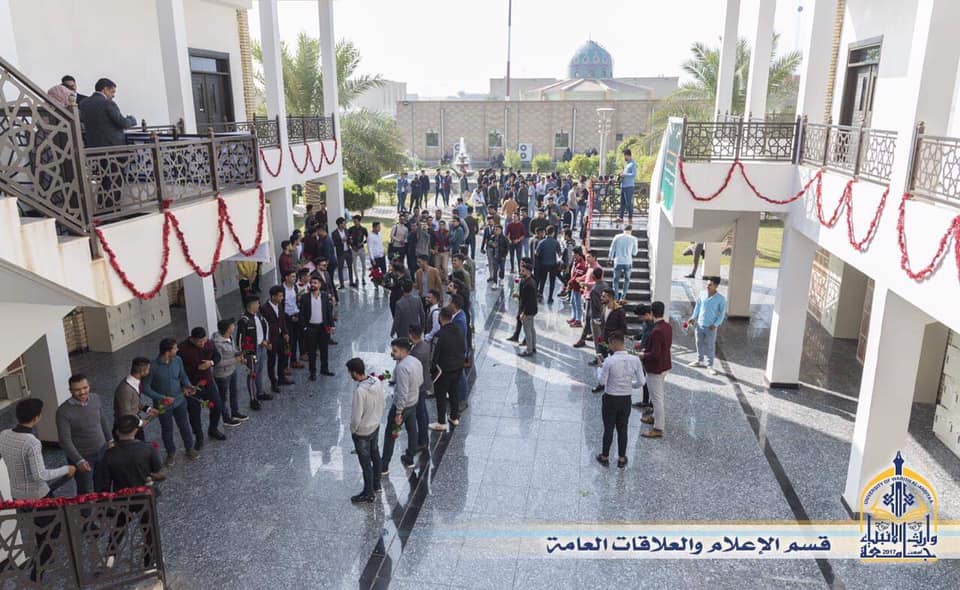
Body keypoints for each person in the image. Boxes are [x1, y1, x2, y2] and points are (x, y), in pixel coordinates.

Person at [1, 399, 76, 499]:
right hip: (37, 496)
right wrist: (66, 469)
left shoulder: (3, 434)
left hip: (16, 495)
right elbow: (40, 475)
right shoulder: (32, 442)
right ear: (37, 418)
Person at [143, 339, 199, 466]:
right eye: (175, 348)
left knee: (184, 425)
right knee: (167, 429)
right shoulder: (152, 367)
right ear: (167, 352)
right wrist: (162, 398)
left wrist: (188, 386)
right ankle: (171, 453)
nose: (177, 350)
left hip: (180, 401)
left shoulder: (178, 360)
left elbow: (183, 376)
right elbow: (145, 388)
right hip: (163, 405)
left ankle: (189, 448)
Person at [56, 373, 112, 495]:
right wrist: (79, 460)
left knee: (103, 484)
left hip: (102, 450)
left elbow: (102, 420)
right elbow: (65, 440)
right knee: (85, 490)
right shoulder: (63, 411)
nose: (82, 392)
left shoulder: (95, 398)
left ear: (89, 386)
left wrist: (110, 440)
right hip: (83, 456)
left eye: (85, 388)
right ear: (70, 390)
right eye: (77, 390)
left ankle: (103, 506)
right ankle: (86, 508)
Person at [595, 334, 645, 468]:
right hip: (625, 399)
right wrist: (630, 385)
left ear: (613, 343)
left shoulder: (609, 361)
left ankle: (605, 456)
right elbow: (641, 381)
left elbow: (602, 382)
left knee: (608, 428)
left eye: (609, 344)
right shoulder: (635, 360)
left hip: (611, 398)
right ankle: (622, 459)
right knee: (623, 428)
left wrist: (599, 367)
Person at [380, 338, 424, 472]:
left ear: (403, 351)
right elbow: (420, 381)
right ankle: (410, 458)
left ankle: (384, 465)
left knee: (391, 434)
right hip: (413, 402)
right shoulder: (415, 361)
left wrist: (398, 412)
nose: (392, 353)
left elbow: (402, 392)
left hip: (402, 407)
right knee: (412, 430)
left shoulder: (402, 367)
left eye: (395, 351)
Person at [178, 326, 227, 445]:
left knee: (217, 405)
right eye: (200, 342)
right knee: (194, 413)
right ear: (192, 339)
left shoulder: (209, 343)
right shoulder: (182, 349)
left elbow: (217, 357)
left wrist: (211, 363)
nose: (203, 344)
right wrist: (185, 384)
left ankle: (213, 429)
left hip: (207, 381)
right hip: (191, 385)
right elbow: (179, 370)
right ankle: (199, 436)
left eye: (204, 340)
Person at [347, 357, 384, 503]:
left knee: (365, 463)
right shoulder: (377, 381)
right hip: (375, 425)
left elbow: (356, 416)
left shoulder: (360, 391)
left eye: (350, 372)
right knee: (375, 454)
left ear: (355, 372)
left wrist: (353, 429)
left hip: (362, 432)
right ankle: (377, 484)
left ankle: (368, 493)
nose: (350, 375)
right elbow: (382, 402)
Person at [95, 415, 163, 491]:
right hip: (146, 492)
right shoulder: (148, 448)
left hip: (122, 495)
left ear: (117, 432)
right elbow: (159, 472)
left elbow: (104, 485)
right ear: (136, 430)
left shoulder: (108, 454)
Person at [429, 307, 466, 432]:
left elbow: (433, 354)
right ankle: (454, 417)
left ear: (440, 318)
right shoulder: (459, 330)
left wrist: (431, 369)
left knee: (441, 396)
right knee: (454, 392)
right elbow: (463, 347)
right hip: (458, 368)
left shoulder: (439, 335)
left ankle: (441, 422)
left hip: (443, 371)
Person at [640, 301, 672, 438]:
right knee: (657, 396)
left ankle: (658, 428)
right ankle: (654, 417)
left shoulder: (656, 330)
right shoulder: (667, 326)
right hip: (665, 365)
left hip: (656, 369)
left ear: (652, 313)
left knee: (656, 399)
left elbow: (655, 354)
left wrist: (643, 354)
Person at [78, 78, 136, 147]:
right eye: (112, 92)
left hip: (92, 147)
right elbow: (123, 123)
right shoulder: (108, 103)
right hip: (112, 147)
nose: (113, 95)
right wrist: (131, 119)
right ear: (105, 89)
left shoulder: (83, 103)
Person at [112, 357, 158, 442]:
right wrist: (140, 422)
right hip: (126, 430)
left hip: (134, 423)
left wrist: (147, 409)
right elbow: (125, 413)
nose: (149, 372)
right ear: (142, 371)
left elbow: (134, 401)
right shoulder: (125, 390)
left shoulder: (135, 382)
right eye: (148, 369)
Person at [300, 274, 336, 380]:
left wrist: (331, 325)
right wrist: (305, 328)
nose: (313, 285)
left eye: (315, 283)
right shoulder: (305, 297)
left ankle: (324, 369)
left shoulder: (324, 296)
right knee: (312, 352)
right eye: (311, 283)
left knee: (324, 350)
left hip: (323, 327)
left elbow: (328, 312)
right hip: (311, 328)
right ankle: (312, 372)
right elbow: (302, 314)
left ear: (320, 285)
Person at [688, 276, 727, 375]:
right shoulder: (702, 294)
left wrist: (716, 324)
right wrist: (693, 319)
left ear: (716, 286)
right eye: (707, 284)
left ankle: (710, 366)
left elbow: (722, 314)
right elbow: (697, 308)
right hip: (699, 324)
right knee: (699, 343)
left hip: (711, 327)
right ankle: (699, 360)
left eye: (710, 285)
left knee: (710, 346)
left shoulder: (721, 299)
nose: (707, 286)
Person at [237, 298, 272, 405]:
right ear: (251, 305)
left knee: (259, 371)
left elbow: (266, 327)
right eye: (257, 303)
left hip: (261, 347)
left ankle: (260, 392)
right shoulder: (244, 320)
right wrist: (242, 354)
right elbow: (240, 339)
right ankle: (252, 399)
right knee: (252, 373)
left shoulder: (259, 315)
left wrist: (266, 341)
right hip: (250, 350)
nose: (259, 305)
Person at [213, 318, 247, 425]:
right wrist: (235, 360)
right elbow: (218, 363)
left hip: (232, 370)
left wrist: (239, 354)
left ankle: (235, 412)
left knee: (234, 392)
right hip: (222, 374)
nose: (234, 327)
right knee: (223, 397)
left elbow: (233, 350)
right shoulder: (217, 344)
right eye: (232, 325)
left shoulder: (230, 337)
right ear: (227, 329)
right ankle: (226, 418)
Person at [262, 286, 293, 393]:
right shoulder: (265, 309)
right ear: (273, 296)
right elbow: (264, 327)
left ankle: (281, 377)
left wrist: (285, 332)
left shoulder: (279, 305)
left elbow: (282, 319)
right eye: (280, 296)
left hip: (281, 337)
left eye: (282, 296)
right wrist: (268, 341)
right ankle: (273, 383)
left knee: (283, 357)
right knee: (271, 361)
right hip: (272, 339)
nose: (282, 298)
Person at [408, 326, 433, 453]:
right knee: (423, 411)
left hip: (419, 384)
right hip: (425, 381)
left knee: (420, 413)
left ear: (411, 335)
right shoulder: (425, 345)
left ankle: (423, 441)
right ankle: (424, 438)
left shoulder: (416, 353)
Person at [631, 304, 655, 412]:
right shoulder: (646, 323)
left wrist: (641, 345)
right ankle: (645, 401)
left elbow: (652, 342)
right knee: (644, 379)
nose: (640, 319)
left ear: (647, 314)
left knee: (651, 382)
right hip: (643, 354)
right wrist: (636, 338)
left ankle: (652, 405)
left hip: (650, 356)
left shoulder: (655, 326)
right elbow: (644, 333)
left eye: (641, 316)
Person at [281, 269, 305, 370]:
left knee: (295, 340)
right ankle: (284, 365)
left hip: (296, 315)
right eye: (292, 276)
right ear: (286, 277)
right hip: (286, 318)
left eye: (295, 276)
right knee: (287, 343)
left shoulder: (295, 287)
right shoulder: (281, 289)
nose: (294, 278)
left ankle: (294, 360)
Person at [609, 224, 640, 302]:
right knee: (627, 280)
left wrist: (610, 258)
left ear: (623, 230)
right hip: (628, 262)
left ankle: (616, 298)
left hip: (618, 261)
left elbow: (612, 249)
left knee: (616, 280)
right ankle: (623, 297)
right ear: (631, 230)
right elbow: (635, 253)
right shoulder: (634, 239)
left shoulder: (617, 237)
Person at [534, 226, 562, 303]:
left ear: (546, 232)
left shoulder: (542, 242)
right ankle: (550, 297)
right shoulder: (556, 242)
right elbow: (559, 254)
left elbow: (536, 253)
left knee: (542, 280)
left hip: (544, 264)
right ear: (553, 233)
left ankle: (540, 294)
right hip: (553, 264)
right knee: (552, 282)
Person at [517, 261, 538, 357]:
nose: (521, 272)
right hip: (532, 310)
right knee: (531, 329)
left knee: (527, 330)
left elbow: (528, 301)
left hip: (528, 311)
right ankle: (533, 346)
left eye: (523, 271)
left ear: (528, 272)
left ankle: (529, 350)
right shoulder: (530, 281)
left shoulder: (529, 284)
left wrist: (523, 313)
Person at [347, 215, 368, 287]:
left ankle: (363, 278)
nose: (354, 222)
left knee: (363, 264)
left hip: (361, 248)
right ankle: (356, 278)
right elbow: (348, 238)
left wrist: (363, 243)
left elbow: (367, 238)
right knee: (354, 264)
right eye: (354, 221)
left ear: (359, 221)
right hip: (354, 249)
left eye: (355, 221)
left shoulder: (363, 229)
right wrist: (351, 246)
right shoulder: (351, 229)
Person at [331, 217, 353, 289]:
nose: (345, 225)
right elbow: (334, 243)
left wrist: (350, 241)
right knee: (340, 268)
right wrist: (341, 241)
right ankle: (342, 284)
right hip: (340, 252)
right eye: (343, 224)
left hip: (348, 251)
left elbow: (349, 239)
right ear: (339, 224)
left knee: (350, 267)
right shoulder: (334, 233)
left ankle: (351, 282)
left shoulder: (346, 230)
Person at [619, 148, 637, 222]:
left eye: (625, 156)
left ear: (628, 155)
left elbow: (634, 174)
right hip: (623, 186)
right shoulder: (627, 164)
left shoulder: (633, 164)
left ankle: (630, 217)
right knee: (622, 203)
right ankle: (620, 217)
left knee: (629, 203)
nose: (624, 157)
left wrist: (624, 174)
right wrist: (621, 174)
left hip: (629, 187)